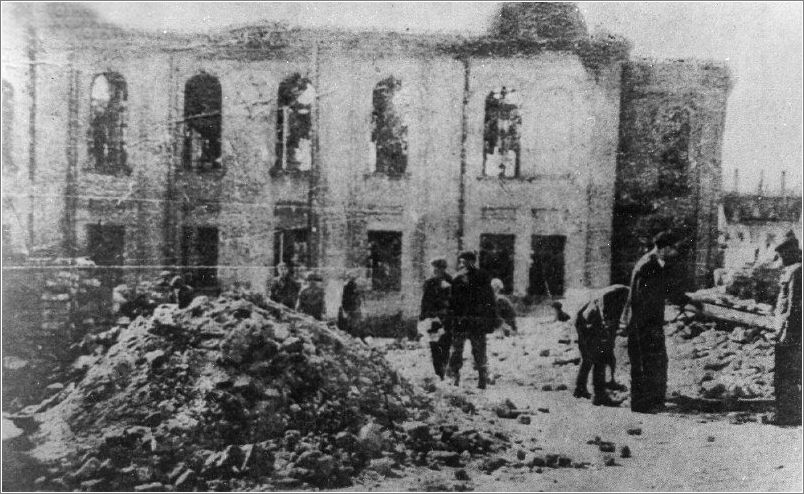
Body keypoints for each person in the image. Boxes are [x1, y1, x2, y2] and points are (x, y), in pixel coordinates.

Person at [620, 231, 700, 413]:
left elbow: (665, 289)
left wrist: (685, 300)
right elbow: (653, 294)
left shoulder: (653, 263)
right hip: (644, 322)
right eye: (672, 249)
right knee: (647, 363)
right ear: (664, 248)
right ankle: (643, 405)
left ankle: (653, 402)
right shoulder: (649, 266)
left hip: (647, 321)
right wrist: (686, 301)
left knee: (655, 361)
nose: (675, 253)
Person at [447, 251, 497, 389]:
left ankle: (482, 378)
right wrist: (451, 319)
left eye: (467, 261)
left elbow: (490, 300)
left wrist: (491, 320)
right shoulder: (457, 278)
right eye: (462, 261)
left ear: (473, 261)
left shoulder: (482, 276)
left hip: (477, 321)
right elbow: (451, 302)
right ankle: (455, 377)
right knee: (457, 350)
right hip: (461, 321)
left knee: (479, 350)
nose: (464, 264)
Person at [574, 285, 630, 406]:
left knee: (593, 357)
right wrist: (607, 337)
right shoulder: (619, 295)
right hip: (588, 323)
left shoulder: (622, 293)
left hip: (587, 320)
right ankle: (599, 395)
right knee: (599, 357)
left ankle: (580, 389)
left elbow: (612, 322)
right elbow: (608, 319)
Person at [773, 236, 802, 426]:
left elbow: (793, 307)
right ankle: (785, 412)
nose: (781, 257)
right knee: (785, 373)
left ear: (792, 252)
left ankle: (788, 415)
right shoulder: (791, 270)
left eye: (783, 253)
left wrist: (787, 332)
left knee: (787, 373)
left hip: (791, 333)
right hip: (785, 330)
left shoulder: (797, 271)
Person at [419, 258, 453, 380]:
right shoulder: (429, 283)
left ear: (442, 269)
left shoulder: (451, 282)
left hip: (447, 319)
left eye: (437, 268)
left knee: (446, 345)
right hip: (433, 319)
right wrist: (423, 317)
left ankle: (443, 369)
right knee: (434, 346)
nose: (435, 271)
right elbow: (425, 301)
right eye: (434, 268)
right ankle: (439, 372)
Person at [338, 270, 364, 340]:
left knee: (351, 323)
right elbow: (357, 298)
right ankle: (354, 336)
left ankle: (352, 336)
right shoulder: (354, 287)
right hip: (353, 307)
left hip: (351, 307)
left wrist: (344, 308)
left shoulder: (347, 287)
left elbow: (344, 298)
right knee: (354, 323)